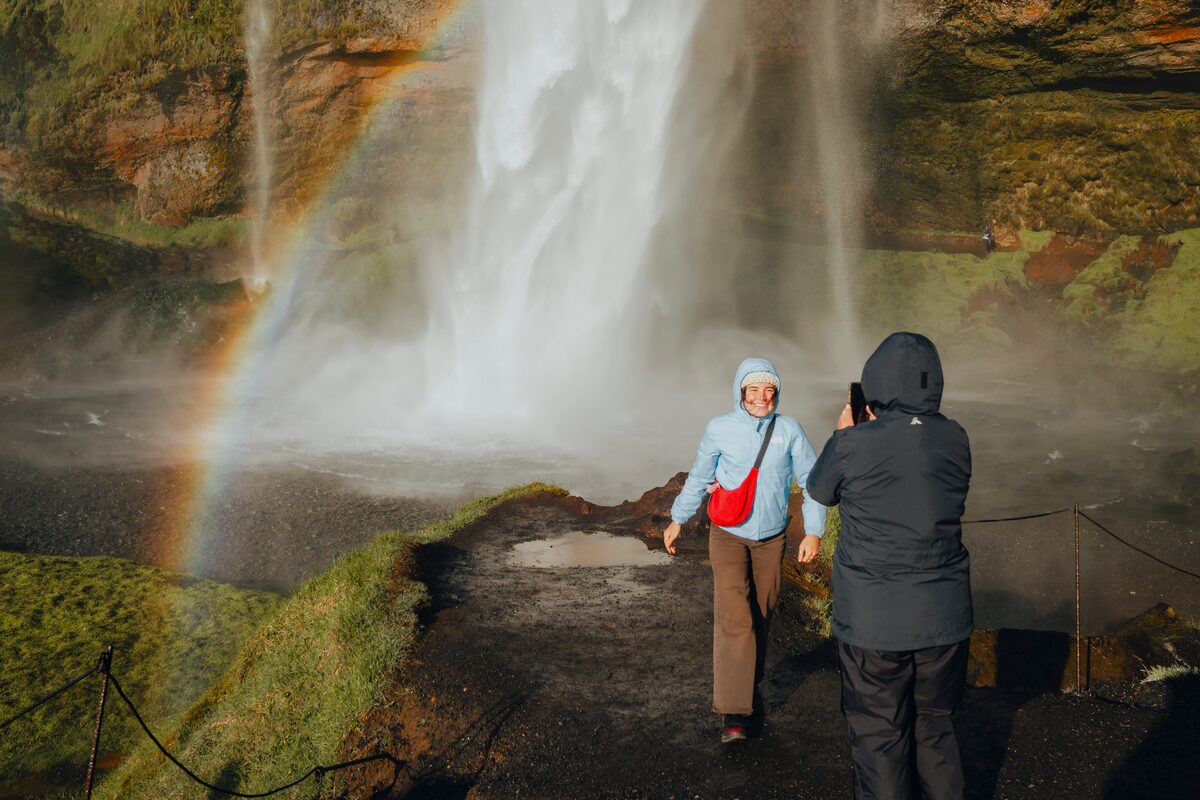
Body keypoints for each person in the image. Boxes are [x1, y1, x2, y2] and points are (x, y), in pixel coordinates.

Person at [806, 332, 973, 800]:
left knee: (880, 737)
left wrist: (845, 432)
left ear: (874, 382)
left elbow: (820, 490)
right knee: (936, 731)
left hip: (874, 623)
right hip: (944, 620)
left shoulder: (853, 443)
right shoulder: (956, 438)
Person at [663, 357, 826, 744]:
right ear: (740, 391)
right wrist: (676, 519)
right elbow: (700, 476)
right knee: (736, 618)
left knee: (761, 616)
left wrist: (814, 532)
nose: (761, 397)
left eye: (768, 390)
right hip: (728, 535)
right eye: (753, 389)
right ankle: (734, 714)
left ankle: (747, 689)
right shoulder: (719, 429)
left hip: (771, 539)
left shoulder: (788, 430)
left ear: (776, 393)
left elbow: (812, 480)